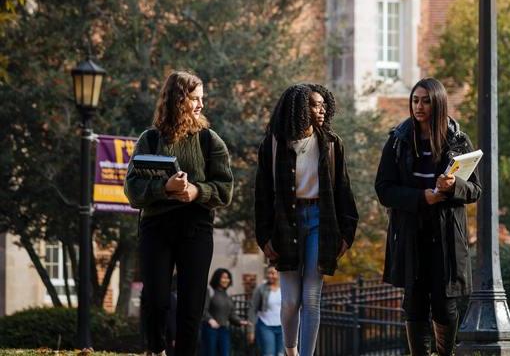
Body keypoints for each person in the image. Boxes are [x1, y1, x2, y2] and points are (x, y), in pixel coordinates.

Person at [124, 70, 234, 356]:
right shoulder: (148, 140)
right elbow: (132, 190)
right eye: (194, 99)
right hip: (155, 226)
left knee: (191, 303)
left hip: (195, 225)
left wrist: (196, 192)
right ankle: (156, 350)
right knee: (156, 298)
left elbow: (225, 189)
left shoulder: (211, 141)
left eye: (202, 99)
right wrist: (165, 187)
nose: (200, 105)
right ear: (177, 100)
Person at [374, 77, 482, 356]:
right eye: (415, 100)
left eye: (426, 101)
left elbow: (475, 190)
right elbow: (384, 190)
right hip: (410, 231)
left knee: (445, 303)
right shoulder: (398, 140)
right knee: (414, 302)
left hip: (446, 235)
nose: (419, 106)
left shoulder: (458, 140)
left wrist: (453, 186)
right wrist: (422, 197)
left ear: (438, 104)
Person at [254, 83, 359, 356]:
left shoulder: (331, 144)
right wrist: (263, 237)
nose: (321, 110)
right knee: (290, 301)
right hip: (285, 224)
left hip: (320, 221)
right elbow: (262, 195)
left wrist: (346, 234)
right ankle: (291, 351)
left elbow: (343, 192)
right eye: (314, 105)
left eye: (324, 104)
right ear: (299, 109)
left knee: (311, 298)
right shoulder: (273, 145)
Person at [200, 268, 249, 356]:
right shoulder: (210, 291)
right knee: (210, 353)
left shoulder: (227, 295)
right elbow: (203, 309)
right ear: (217, 278)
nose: (226, 280)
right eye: (223, 277)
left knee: (225, 354)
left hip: (223, 329)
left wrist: (240, 321)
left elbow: (231, 314)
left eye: (228, 278)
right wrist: (210, 320)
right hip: (210, 329)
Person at [248, 266, 284, 356]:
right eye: (268, 273)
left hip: (283, 327)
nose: (270, 276)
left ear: (279, 274)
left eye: (273, 273)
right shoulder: (260, 289)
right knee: (269, 354)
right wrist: (251, 330)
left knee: (281, 354)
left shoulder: (284, 288)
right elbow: (253, 309)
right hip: (265, 325)